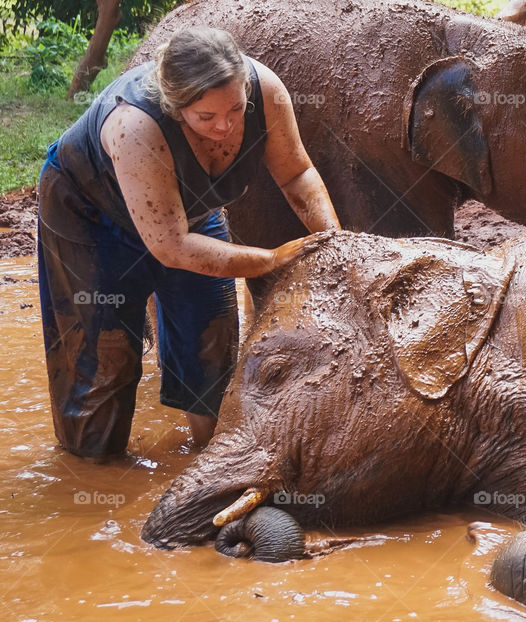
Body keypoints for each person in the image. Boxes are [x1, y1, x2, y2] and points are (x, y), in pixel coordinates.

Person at [37, 27, 341, 462]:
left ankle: (211, 458)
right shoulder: (136, 125)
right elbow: (172, 248)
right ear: (174, 106)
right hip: (90, 217)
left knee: (212, 342)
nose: (224, 126)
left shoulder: (266, 91)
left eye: (236, 109)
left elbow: (296, 174)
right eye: (206, 117)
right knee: (102, 363)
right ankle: (95, 478)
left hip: (189, 216)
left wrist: (334, 240)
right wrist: (271, 260)